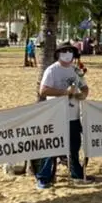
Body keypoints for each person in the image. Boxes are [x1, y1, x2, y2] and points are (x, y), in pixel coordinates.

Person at [36, 43, 91, 188]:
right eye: (64, 51)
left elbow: (84, 87)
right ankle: (43, 178)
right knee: (52, 147)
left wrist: (82, 95)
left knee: (74, 147)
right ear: (58, 54)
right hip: (56, 116)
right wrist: (64, 93)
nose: (67, 54)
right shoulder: (52, 70)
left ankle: (76, 173)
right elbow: (43, 90)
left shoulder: (75, 70)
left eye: (70, 51)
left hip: (73, 116)